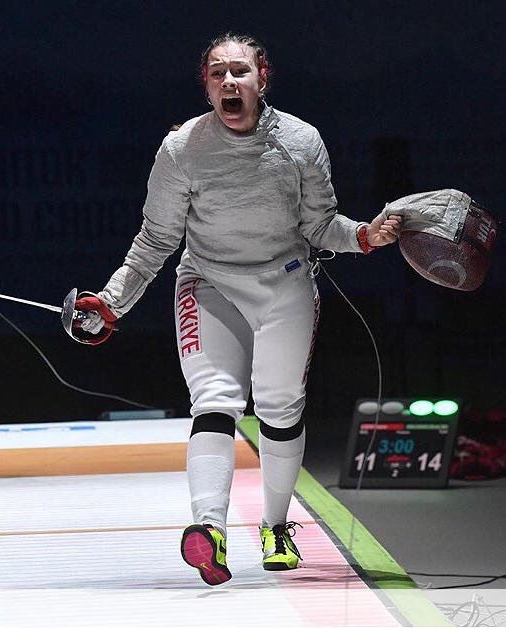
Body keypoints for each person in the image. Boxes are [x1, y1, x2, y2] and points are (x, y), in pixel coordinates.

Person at [73, 33, 402, 585]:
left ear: (261, 78)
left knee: (278, 406)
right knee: (214, 399)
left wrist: (365, 236)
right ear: (206, 85)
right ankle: (210, 531)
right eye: (218, 73)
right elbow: (155, 240)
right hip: (208, 283)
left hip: (286, 283)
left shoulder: (301, 141)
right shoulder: (181, 150)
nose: (230, 82)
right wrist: (111, 303)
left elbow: (321, 226)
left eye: (240, 72)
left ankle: (276, 528)